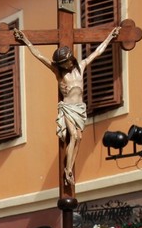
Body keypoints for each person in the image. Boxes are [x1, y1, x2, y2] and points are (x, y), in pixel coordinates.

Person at [14, 26, 121, 185]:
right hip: (68, 109)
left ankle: (70, 166)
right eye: (62, 64)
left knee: (79, 138)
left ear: (71, 59)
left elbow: (97, 52)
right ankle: (68, 170)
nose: (65, 66)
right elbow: (40, 57)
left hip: (79, 109)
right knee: (74, 136)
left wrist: (110, 38)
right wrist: (25, 41)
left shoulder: (81, 67)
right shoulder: (59, 74)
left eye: (66, 62)